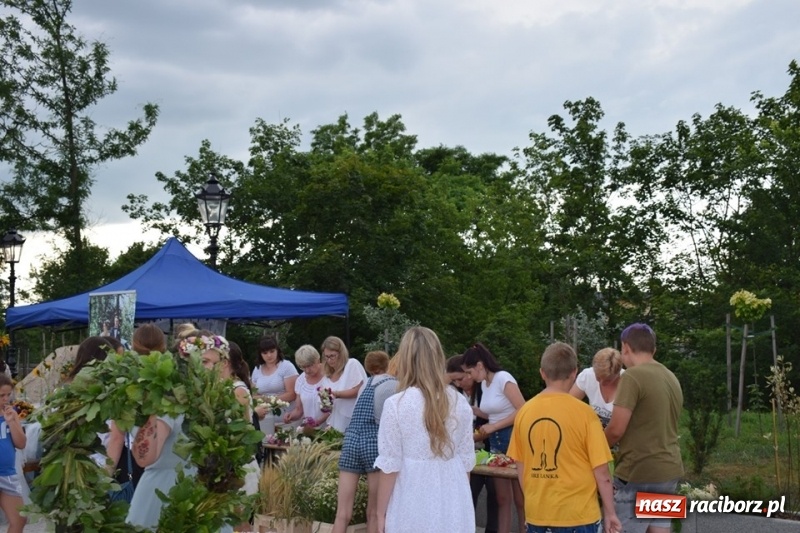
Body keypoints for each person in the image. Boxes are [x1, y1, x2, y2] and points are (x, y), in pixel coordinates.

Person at [507, 342, 621, 533]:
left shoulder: (524, 413)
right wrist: (610, 513)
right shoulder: (585, 414)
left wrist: (531, 507)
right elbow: (602, 474)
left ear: (542, 373)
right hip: (579, 515)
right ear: (574, 372)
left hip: (538, 515)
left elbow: (521, 466)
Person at [374, 327, 475, 533]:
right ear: (438, 357)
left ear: (405, 359)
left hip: (412, 500)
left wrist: (379, 513)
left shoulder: (396, 405)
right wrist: (463, 508)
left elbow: (390, 466)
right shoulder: (460, 402)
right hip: (454, 499)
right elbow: (466, 463)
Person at [604, 323, 684, 533]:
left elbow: (615, 430)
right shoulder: (671, 377)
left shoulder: (632, 376)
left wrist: (594, 449)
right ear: (653, 349)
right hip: (669, 470)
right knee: (658, 529)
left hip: (639, 471)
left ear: (626, 348)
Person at [461, 342, 526, 533]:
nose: (469, 377)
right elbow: (494, 413)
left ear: (480, 365)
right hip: (496, 440)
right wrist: (473, 410)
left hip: (513, 437)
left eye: (469, 372)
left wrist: (494, 426)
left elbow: (523, 409)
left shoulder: (503, 378)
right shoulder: (484, 384)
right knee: (501, 498)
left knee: (520, 498)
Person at [199, 338, 259, 532]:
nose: (205, 366)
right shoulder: (217, 389)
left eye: (208, 361)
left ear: (224, 363)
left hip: (238, 465)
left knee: (239, 523)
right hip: (221, 465)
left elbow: (242, 431)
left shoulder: (238, 390)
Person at [334, 351, 396, 533]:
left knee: (342, 513)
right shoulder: (392, 384)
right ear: (387, 364)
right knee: (374, 512)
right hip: (373, 441)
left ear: (368, 367)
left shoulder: (364, 385)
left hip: (351, 440)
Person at [447, 354, 498, 533]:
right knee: (470, 492)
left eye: (462, 378)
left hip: (488, 446)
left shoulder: (485, 389)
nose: (459, 384)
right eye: (455, 381)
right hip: (470, 450)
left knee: (494, 495)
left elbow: (493, 415)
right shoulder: (456, 394)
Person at [568, 347, 624, 428]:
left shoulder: (628, 383)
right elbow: (568, 405)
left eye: (607, 380)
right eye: (598, 377)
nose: (601, 382)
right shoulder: (587, 376)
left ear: (617, 374)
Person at [321, 336, 367, 433]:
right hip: (335, 423)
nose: (329, 360)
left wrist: (336, 394)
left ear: (341, 354)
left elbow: (359, 389)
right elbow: (328, 407)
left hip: (353, 421)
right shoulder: (326, 376)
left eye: (332, 356)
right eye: (326, 356)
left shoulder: (351, 364)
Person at [0, 373, 27, 533]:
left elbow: (21, 443)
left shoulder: (11, 414)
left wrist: (11, 423)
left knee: (19, 519)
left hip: (7, 474)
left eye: (8, 394)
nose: (5, 399)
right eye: (1, 395)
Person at [252, 336, 298, 425]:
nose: (269, 355)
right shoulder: (257, 369)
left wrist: (268, 400)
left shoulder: (287, 366)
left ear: (277, 350)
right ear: (260, 354)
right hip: (264, 420)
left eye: (272, 351)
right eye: (265, 353)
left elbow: (292, 394)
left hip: (286, 419)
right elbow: (253, 395)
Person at [282, 345, 331, 428]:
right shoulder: (300, 380)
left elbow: (335, 406)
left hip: (331, 428)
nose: (307, 370)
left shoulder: (330, 375)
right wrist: (290, 416)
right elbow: (299, 410)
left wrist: (317, 422)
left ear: (317, 360)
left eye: (309, 365)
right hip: (311, 430)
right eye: (303, 367)